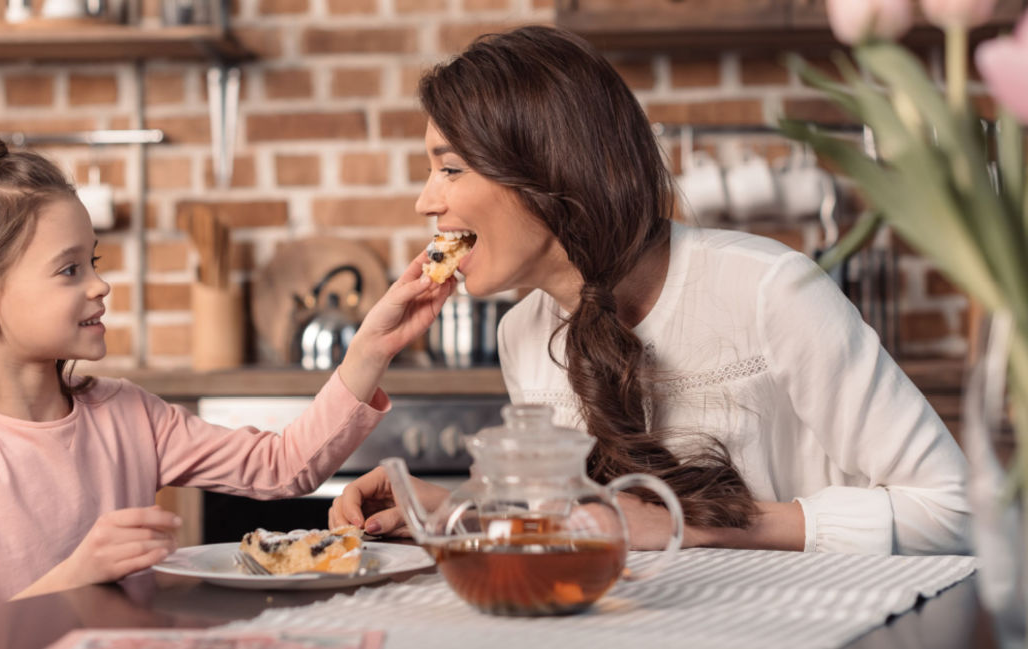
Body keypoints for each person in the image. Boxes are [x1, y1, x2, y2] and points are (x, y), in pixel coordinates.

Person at [329, 25, 970, 556]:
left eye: (449, 168)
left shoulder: (770, 290)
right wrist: (459, 510)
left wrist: (701, 527)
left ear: (545, 169)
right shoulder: (521, 333)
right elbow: (590, 521)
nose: (424, 202)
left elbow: (955, 512)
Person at [0, 127, 455, 624]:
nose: (100, 284)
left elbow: (285, 466)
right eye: (68, 270)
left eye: (94, 261)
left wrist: (371, 345)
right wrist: (74, 580)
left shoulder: (128, 414)